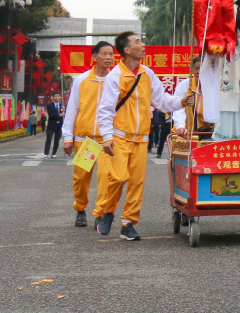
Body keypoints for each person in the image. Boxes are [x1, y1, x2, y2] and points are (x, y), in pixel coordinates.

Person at [94, 31, 192, 241]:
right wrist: (107, 137)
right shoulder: (115, 76)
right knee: (119, 177)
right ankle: (108, 210)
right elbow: (105, 110)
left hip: (141, 138)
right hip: (119, 136)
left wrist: (181, 102)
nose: (143, 44)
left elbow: (163, 101)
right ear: (127, 50)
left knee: (137, 182)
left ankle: (128, 223)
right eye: (138, 42)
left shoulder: (147, 74)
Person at [62, 41, 113, 228]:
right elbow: (72, 110)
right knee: (81, 178)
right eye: (104, 54)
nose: (108, 58)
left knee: (106, 177)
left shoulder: (115, 81)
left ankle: (99, 213)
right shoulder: (81, 80)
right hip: (86, 141)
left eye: (111, 54)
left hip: (106, 141)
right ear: (94, 57)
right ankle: (80, 208)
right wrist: (68, 137)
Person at [171, 56, 205, 139]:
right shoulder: (184, 86)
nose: (199, 72)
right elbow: (178, 107)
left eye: (202, 68)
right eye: (196, 68)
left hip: (207, 133)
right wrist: (180, 126)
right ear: (192, 70)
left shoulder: (214, 88)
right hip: (185, 133)